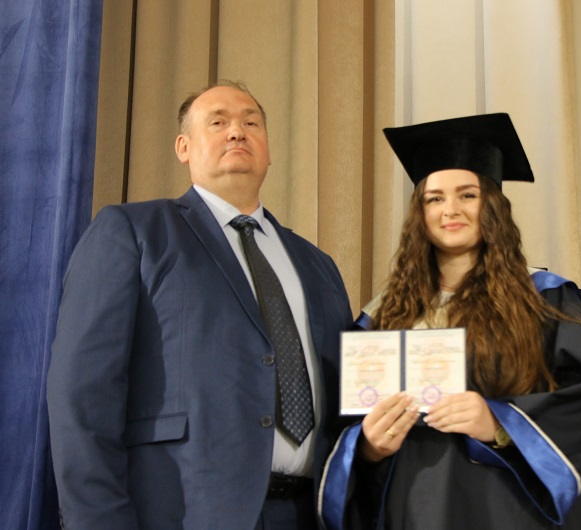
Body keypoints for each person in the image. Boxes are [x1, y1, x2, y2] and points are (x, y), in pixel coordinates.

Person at [47, 81, 353, 529]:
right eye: (218, 122)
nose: (237, 132)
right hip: (180, 513)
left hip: (308, 514)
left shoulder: (317, 264)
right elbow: (82, 393)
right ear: (183, 147)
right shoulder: (135, 232)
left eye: (251, 123)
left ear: (269, 151)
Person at [318, 113, 581, 529]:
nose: (450, 210)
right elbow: (342, 418)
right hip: (409, 506)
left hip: (506, 508)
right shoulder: (383, 316)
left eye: (467, 195)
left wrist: (500, 422)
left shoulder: (542, 299)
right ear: (419, 212)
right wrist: (368, 447)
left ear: (491, 206)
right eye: (434, 199)